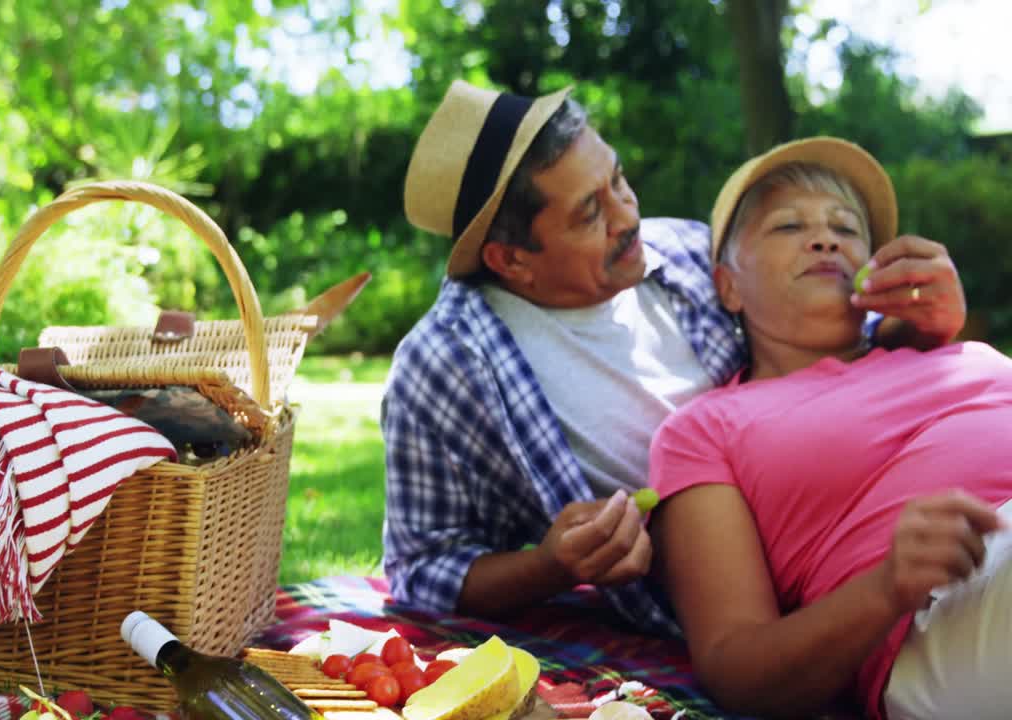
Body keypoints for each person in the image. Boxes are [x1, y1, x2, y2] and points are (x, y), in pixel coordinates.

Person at [382, 79, 969, 630]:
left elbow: (854, 350)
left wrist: (926, 323)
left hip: (870, 516)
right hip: (763, 611)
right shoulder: (444, 367)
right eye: (591, 212)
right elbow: (422, 567)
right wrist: (551, 567)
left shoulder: (685, 253)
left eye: (618, 180)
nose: (628, 216)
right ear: (511, 260)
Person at [647, 136, 1012, 719]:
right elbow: (734, 665)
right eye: (787, 227)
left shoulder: (938, 349)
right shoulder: (703, 430)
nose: (824, 239)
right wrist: (887, 586)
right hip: (950, 606)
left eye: (845, 228)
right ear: (727, 286)